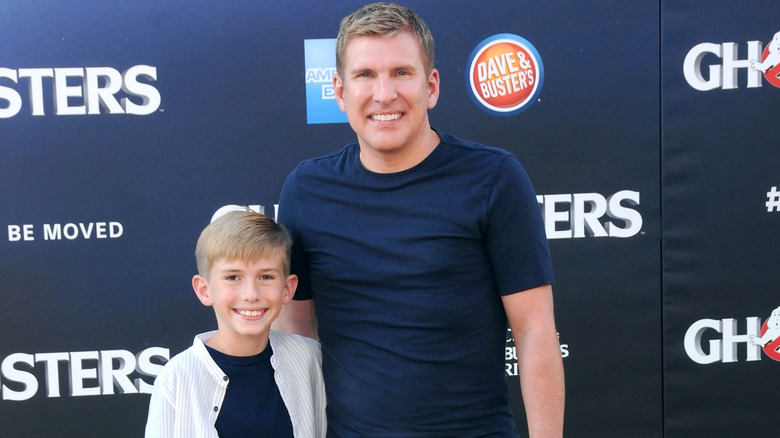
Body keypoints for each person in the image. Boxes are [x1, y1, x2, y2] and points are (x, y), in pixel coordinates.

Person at [275, 2, 564, 437]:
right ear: (339, 91)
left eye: (402, 73)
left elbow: (535, 333)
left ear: (431, 86)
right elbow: (294, 336)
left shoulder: (493, 179)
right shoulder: (306, 190)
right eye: (365, 75)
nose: (384, 94)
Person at [145, 210, 326, 438]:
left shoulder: (308, 358)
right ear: (204, 289)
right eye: (232, 277)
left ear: (288, 289)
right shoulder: (178, 378)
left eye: (266, 277)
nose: (251, 294)